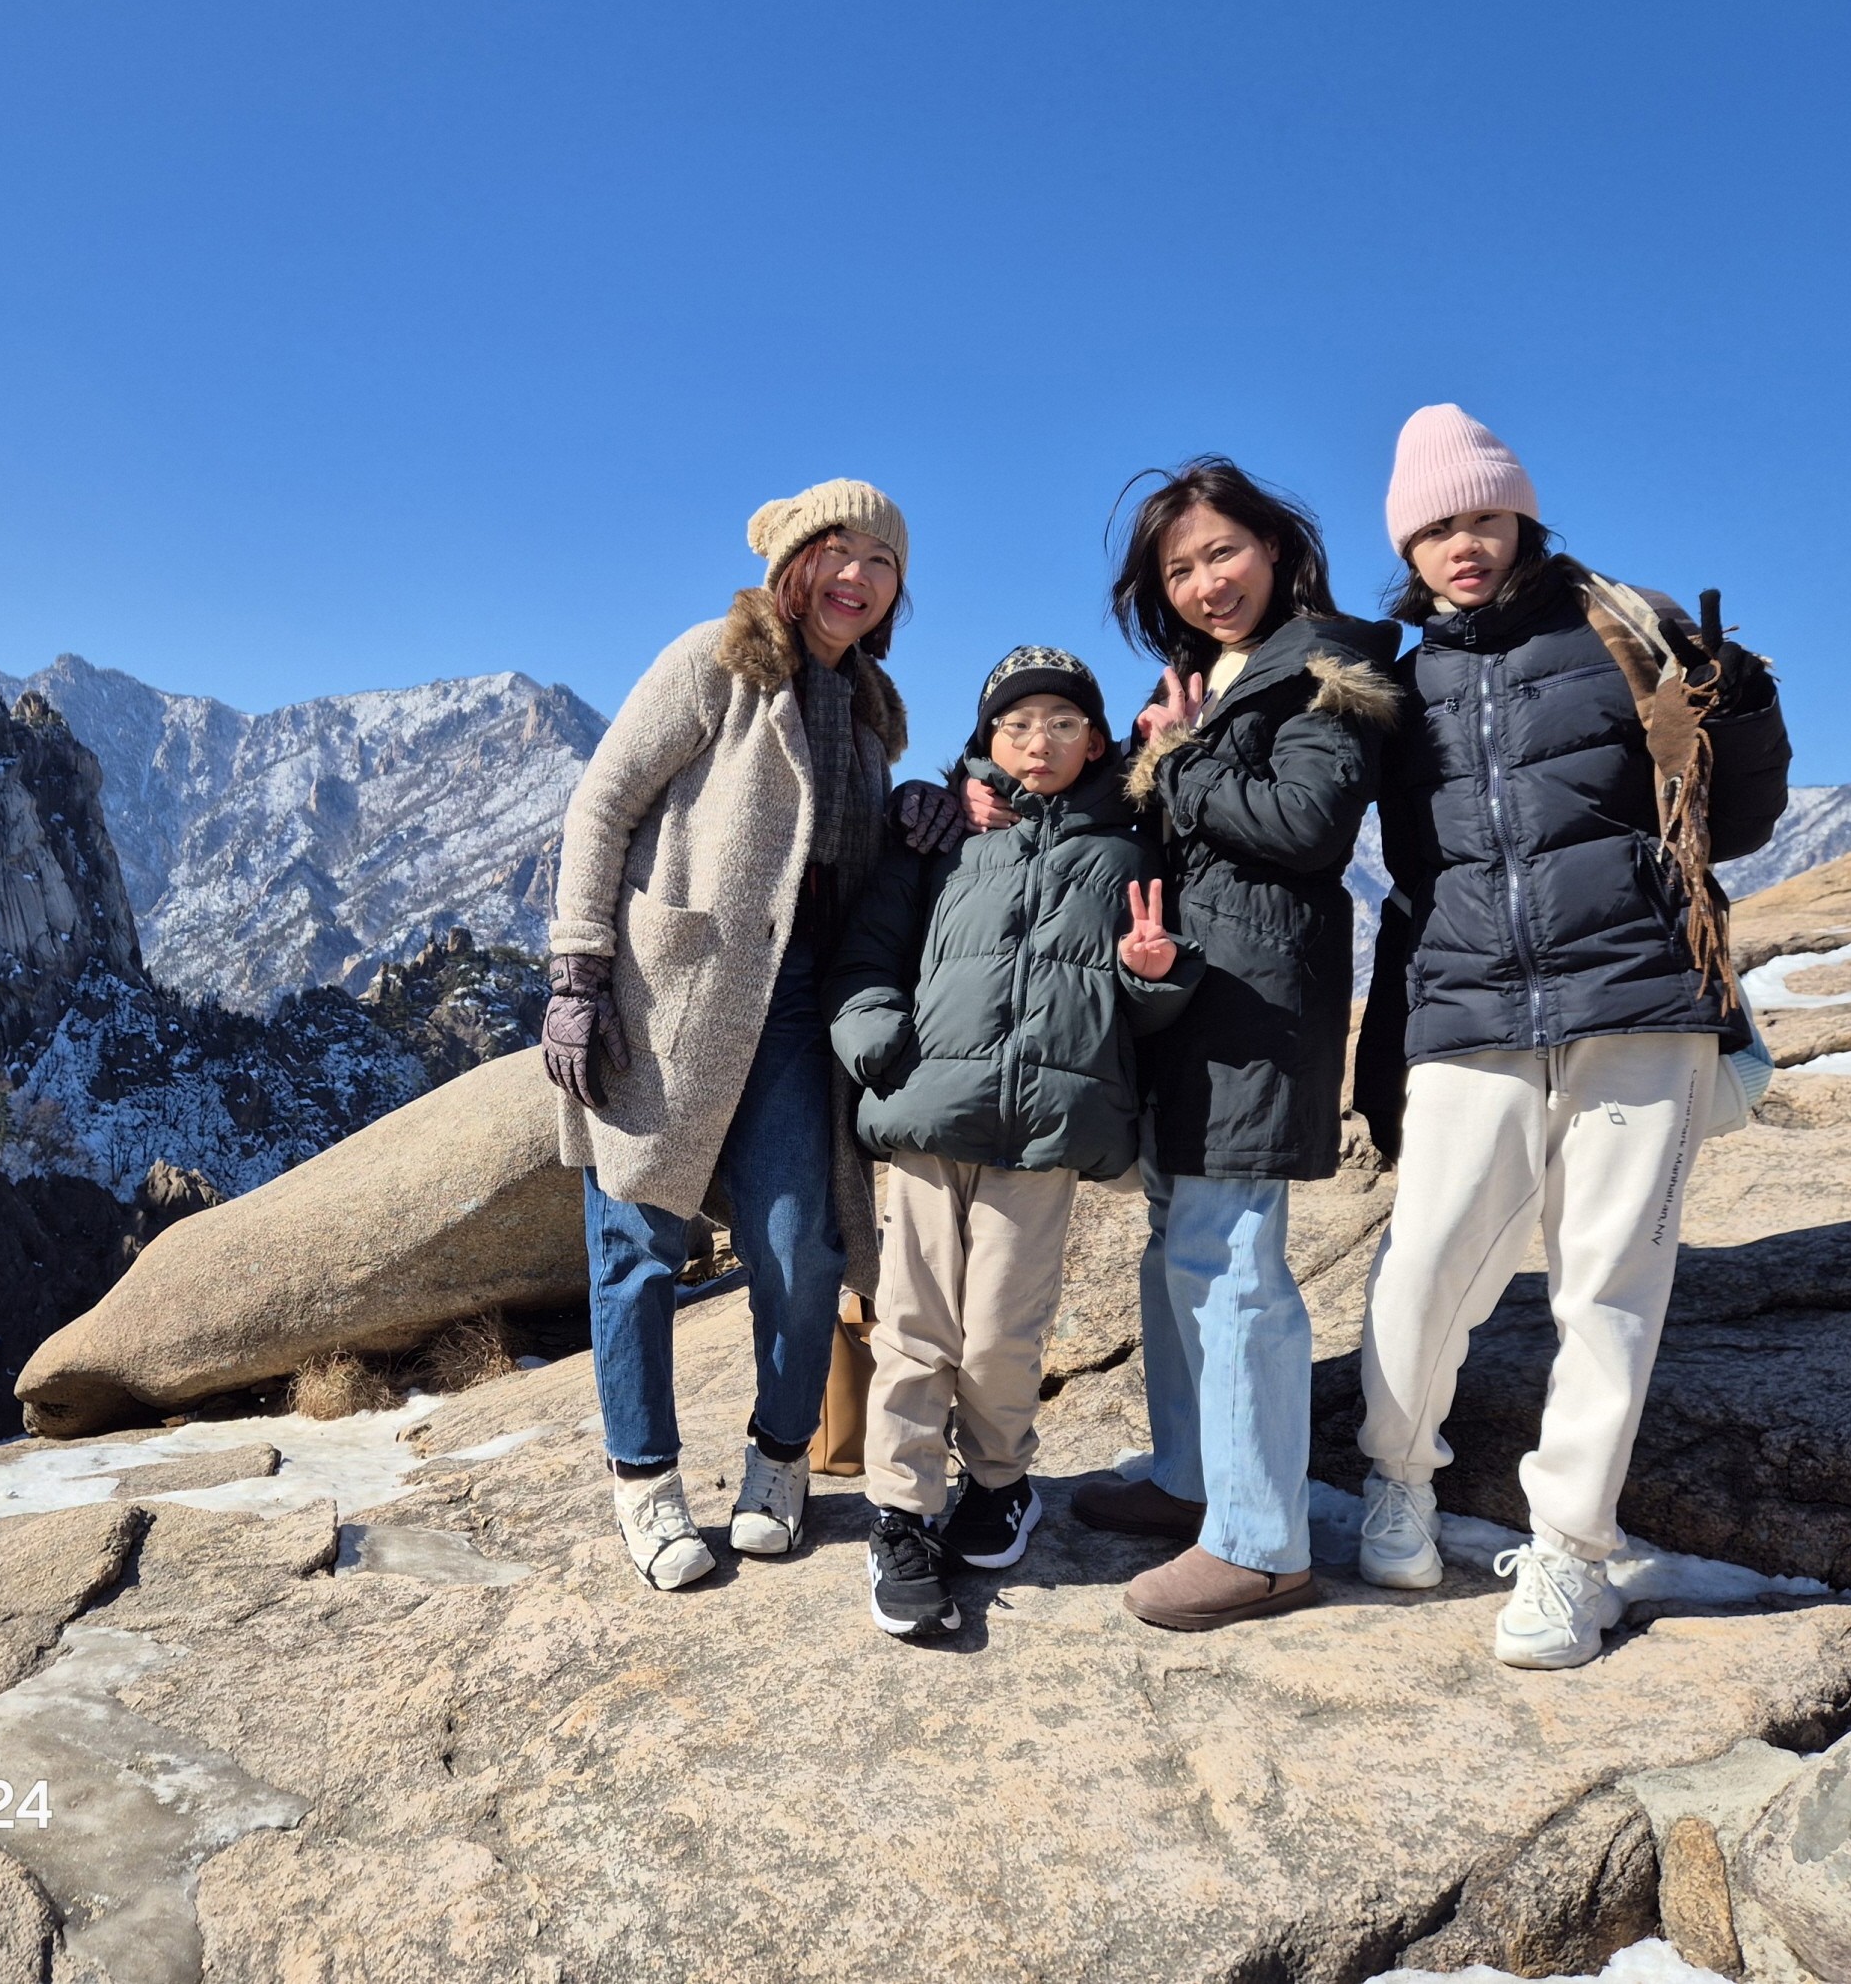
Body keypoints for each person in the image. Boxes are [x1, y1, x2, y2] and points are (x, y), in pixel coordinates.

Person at [1349, 403, 1790, 1669]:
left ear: (1520, 514)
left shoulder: (1622, 629)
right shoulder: (1396, 679)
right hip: (1471, 1007)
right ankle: (1399, 1479)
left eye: (1481, 516)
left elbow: (1739, 818)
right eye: (1435, 528)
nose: (1462, 543)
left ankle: (1571, 1557)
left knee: (1608, 1291)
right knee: (1425, 1261)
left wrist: (1741, 704)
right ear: (1411, 547)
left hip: (1640, 1000)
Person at [983, 461, 1399, 1629]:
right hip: (1179, 1001)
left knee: (1233, 1262)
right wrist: (989, 792)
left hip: (1259, 1005)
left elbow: (1308, 826)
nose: (1207, 580)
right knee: (1180, 1241)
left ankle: (1263, 1542)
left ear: (1275, 545)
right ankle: (1191, 1480)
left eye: (1224, 551)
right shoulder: (1204, 679)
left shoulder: (1333, 663)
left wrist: (1186, 751)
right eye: (1180, 567)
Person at [543, 479, 965, 1590]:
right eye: (840, 552)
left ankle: (780, 1460)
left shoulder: (871, 714)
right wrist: (577, 966)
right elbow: (602, 803)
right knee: (638, 1245)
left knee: (799, 1244)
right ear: (791, 561)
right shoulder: (712, 663)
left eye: (883, 564)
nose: (860, 578)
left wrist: (913, 809)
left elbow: (838, 861)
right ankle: (646, 1484)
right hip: (666, 995)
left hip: (791, 1010)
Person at [829, 646, 1203, 1637]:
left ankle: (1000, 1483)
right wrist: (874, 1040)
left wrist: (1154, 975)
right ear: (987, 739)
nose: (1039, 743)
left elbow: (1142, 1006)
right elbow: (870, 954)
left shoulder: (1129, 845)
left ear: (1097, 737)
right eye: (1017, 724)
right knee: (913, 1326)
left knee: (1001, 1332)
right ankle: (901, 1513)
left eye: (1064, 722)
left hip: (1043, 1133)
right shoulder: (944, 837)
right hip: (930, 1115)